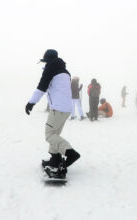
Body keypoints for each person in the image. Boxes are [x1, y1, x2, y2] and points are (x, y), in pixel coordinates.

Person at [25, 49, 80, 177]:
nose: (45, 64)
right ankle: (55, 158)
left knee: (49, 135)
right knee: (55, 134)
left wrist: (31, 102)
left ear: (48, 60)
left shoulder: (51, 68)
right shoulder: (65, 71)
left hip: (58, 108)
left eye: (45, 62)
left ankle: (70, 153)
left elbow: (42, 86)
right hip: (66, 108)